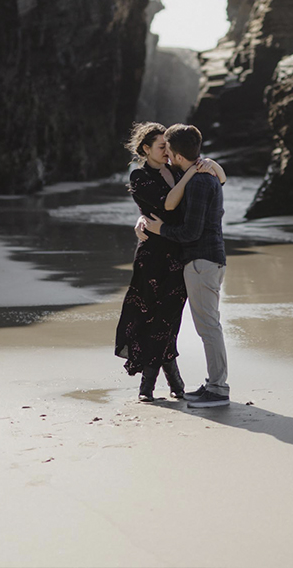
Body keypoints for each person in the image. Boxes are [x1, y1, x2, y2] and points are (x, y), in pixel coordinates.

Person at [116, 122, 226, 402]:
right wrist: (140, 219)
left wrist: (205, 165)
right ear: (145, 149)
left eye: (169, 146)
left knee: (168, 319)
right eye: (161, 146)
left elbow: (218, 181)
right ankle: (164, 384)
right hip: (153, 255)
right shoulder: (140, 176)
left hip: (180, 253)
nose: (167, 150)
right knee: (151, 317)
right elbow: (166, 205)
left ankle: (161, 385)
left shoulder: (178, 170)